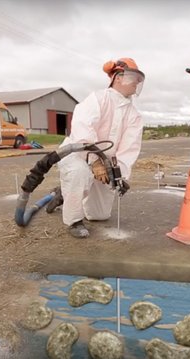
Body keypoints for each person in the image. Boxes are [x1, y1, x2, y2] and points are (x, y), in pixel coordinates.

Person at [46, 58, 145, 238]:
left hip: (104, 164)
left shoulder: (134, 115)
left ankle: (64, 194)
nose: (137, 84)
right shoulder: (97, 99)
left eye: (139, 81)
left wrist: (119, 175)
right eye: (134, 78)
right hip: (76, 154)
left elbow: (129, 149)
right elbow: (83, 130)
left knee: (99, 215)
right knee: (79, 173)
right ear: (118, 78)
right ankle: (73, 220)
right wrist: (94, 160)